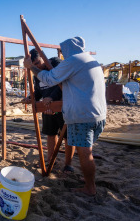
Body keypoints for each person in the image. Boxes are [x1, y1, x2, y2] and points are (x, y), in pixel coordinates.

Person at [24, 37, 107, 196]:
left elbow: (50, 79)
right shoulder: (90, 59)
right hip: (97, 114)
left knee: (85, 153)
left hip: (82, 115)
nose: (62, 54)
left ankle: (90, 187)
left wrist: (31, 68)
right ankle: (89, 180)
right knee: (85, 150)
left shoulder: (73, 61)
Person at [21, 49, 75, 173]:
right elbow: (39, 91)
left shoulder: (55, 63)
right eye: (33, 65)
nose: (36, 67)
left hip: (63, 106)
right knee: (51, 134)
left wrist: (52, 97)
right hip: (47, 107)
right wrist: (30, 98)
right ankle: (51, 159)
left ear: (43, 58)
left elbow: (64, 82)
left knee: (67, 136)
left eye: (38, 63)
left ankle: (68, 164)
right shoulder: (36, 72)